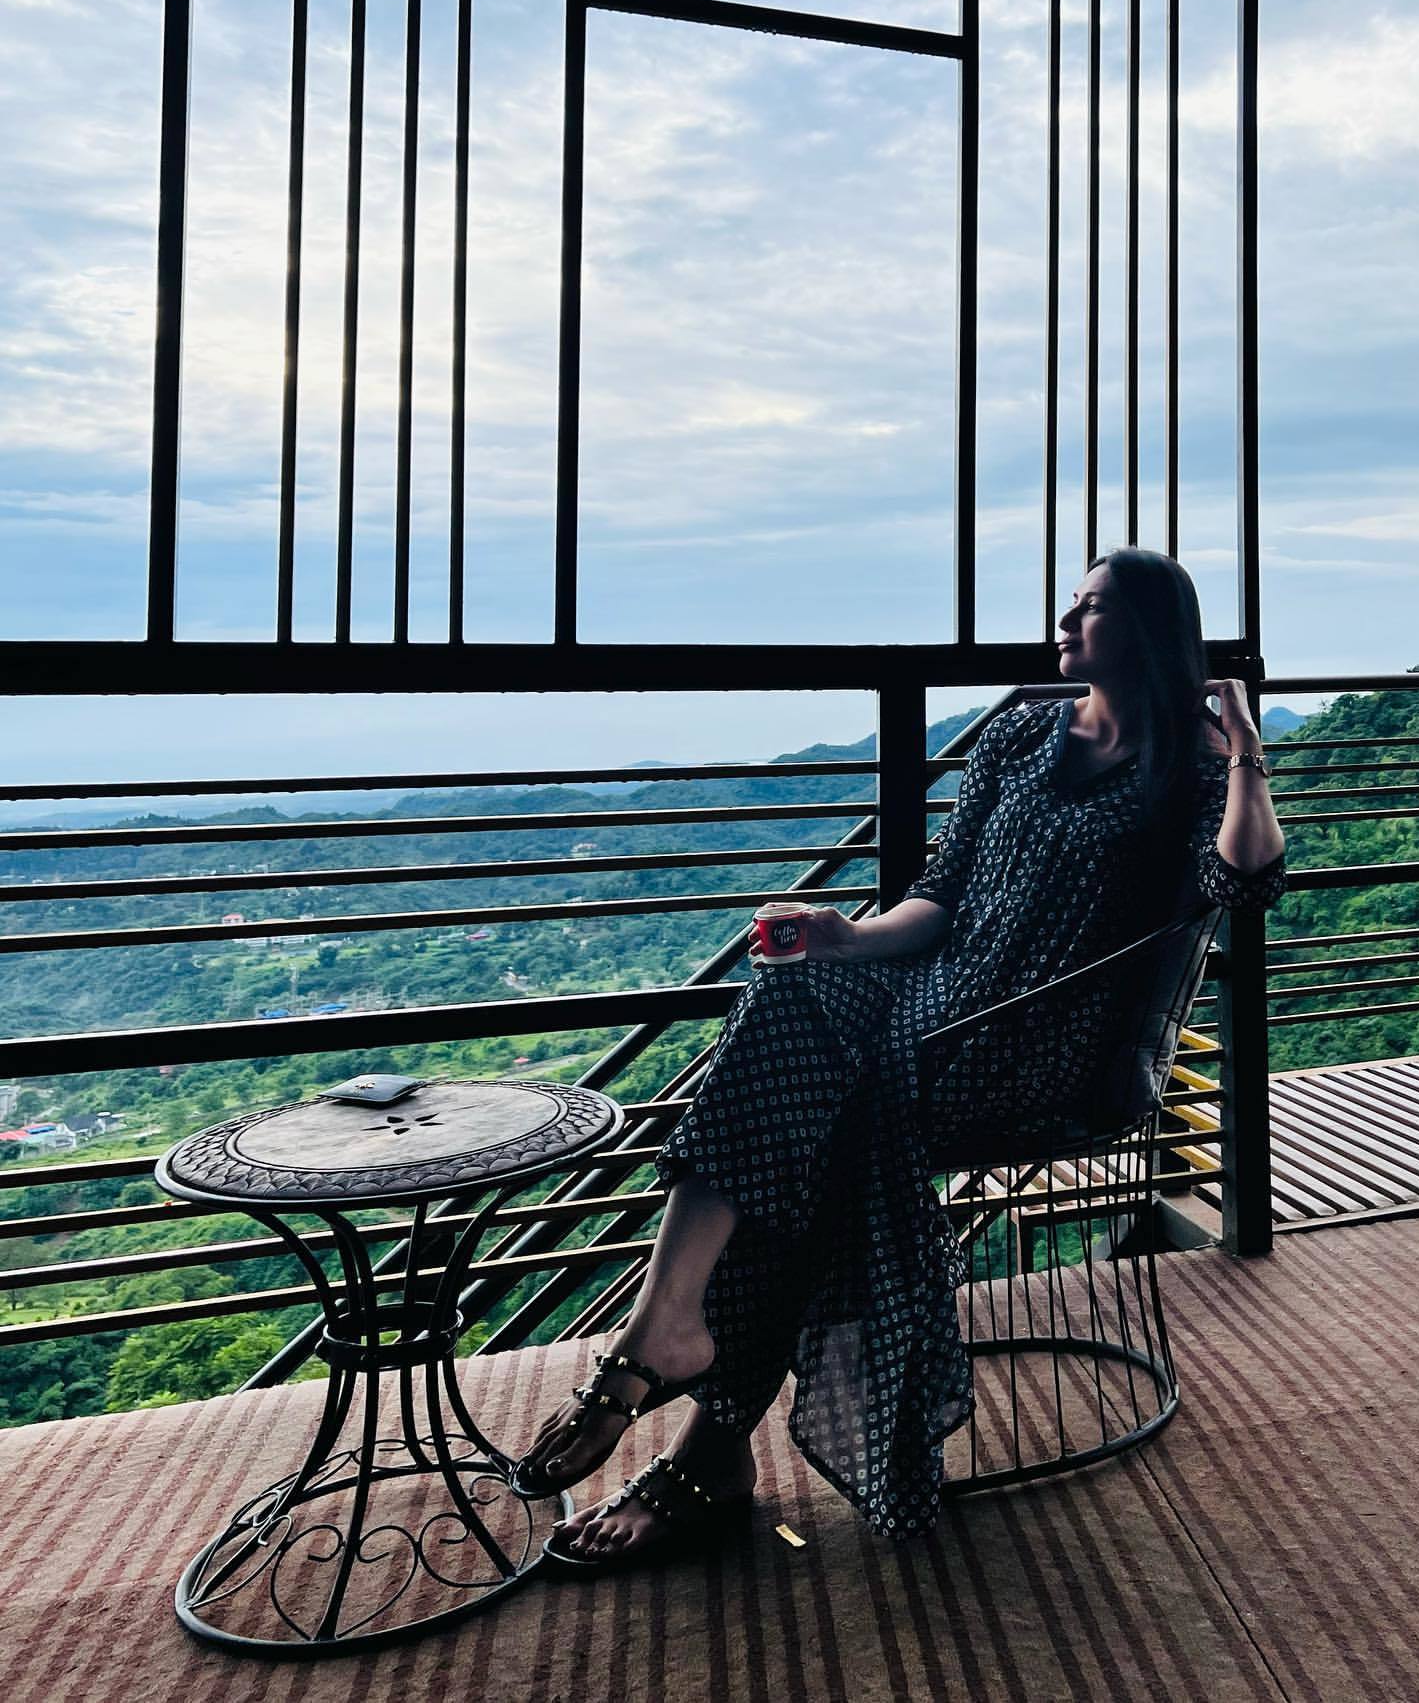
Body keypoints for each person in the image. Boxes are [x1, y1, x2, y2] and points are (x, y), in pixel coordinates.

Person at [513, 548, 1287, 1567]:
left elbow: (1247, 884)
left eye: (1091, 607)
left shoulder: (1190, 767)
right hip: (929, 1000)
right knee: (793, 1005)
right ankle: (670, 1326)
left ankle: (701, 1425)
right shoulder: (1020, 733)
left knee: (821, 1123)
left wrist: (1244, 750)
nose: (1064, 620)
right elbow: (941, 893)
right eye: (1070, 602)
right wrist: (850, 937)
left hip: (1046, 1044)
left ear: (1150, 632)